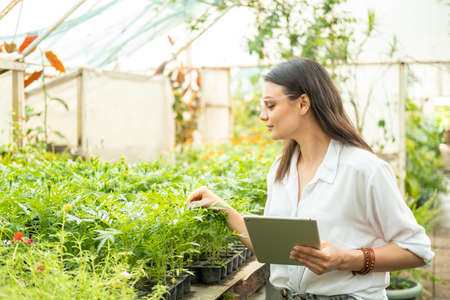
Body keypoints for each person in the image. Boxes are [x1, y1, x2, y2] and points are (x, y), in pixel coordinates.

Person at [187, 58, 434, 300]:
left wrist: (348, 259)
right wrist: (222, 208)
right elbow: (273, 249)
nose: (263, 116)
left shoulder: (364, 170)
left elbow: (417, 250)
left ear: (303, 103)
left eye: (271, 106)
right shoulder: (280, 172)